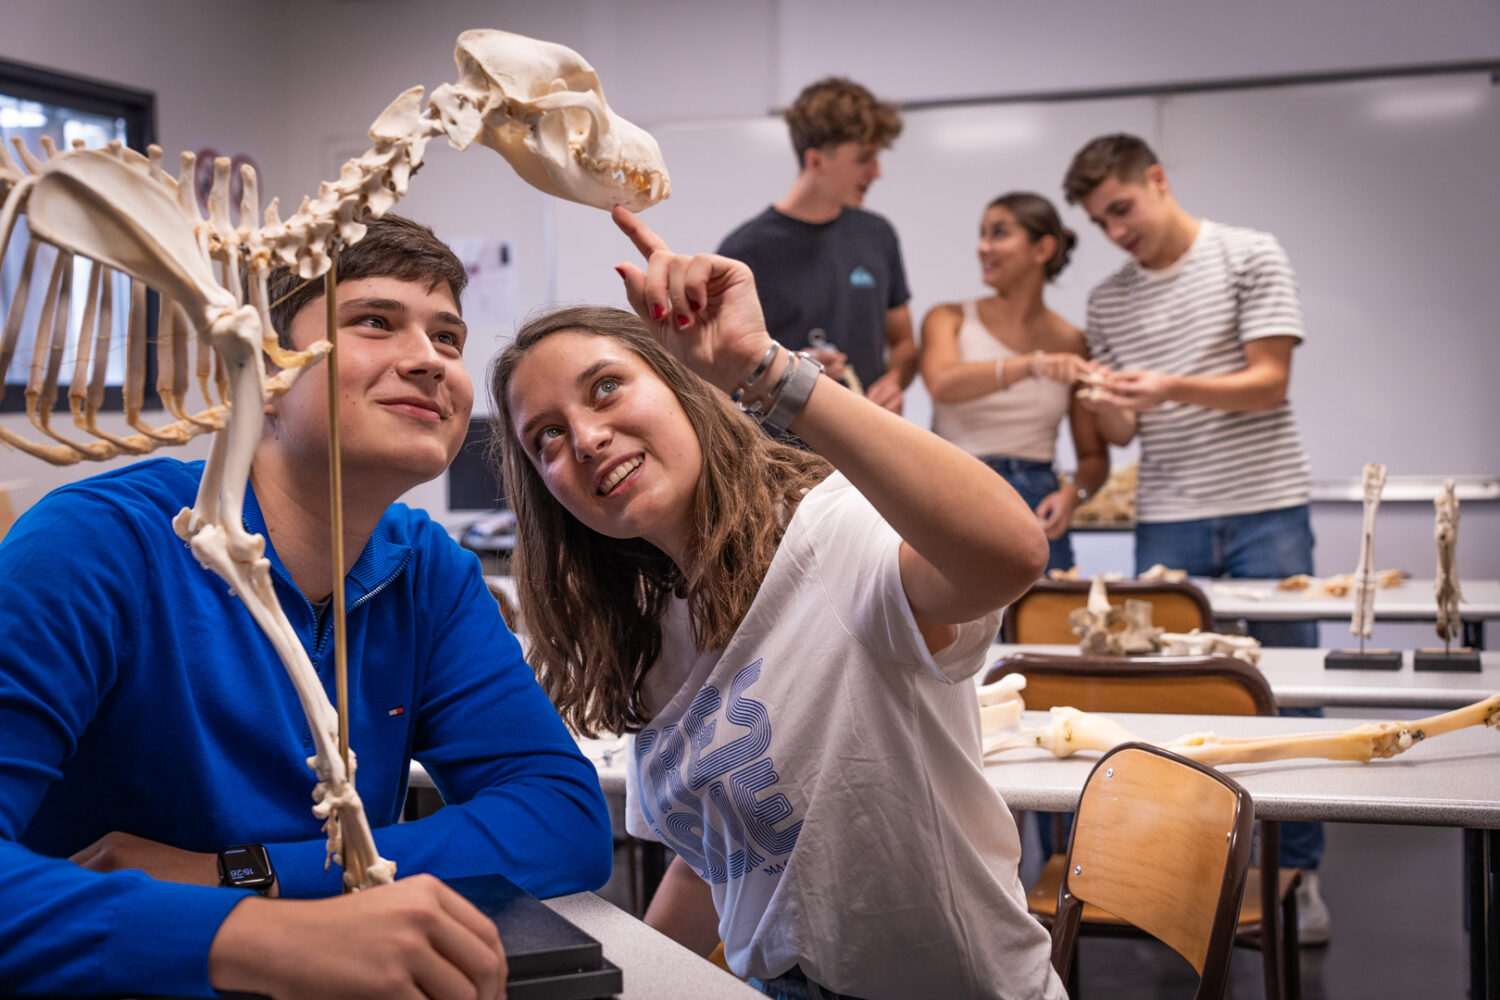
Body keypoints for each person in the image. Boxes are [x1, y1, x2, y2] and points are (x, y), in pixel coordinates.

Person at [0, 216, 613, 997]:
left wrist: (245, 880)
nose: (429, 361)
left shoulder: (426, 571)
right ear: (260, 367)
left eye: (449, 338)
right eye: (375, 322)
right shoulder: (95, 546)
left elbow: (562, 822)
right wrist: (256, 938)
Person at [491, 205, 1064, 1000]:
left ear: (688, 391)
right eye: (546, 437)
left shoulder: (832, 537)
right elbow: (724, 850)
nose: (584, 439)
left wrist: (764, 366)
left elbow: (1011, 553)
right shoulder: (655, 621)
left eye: (608, 387)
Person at [1061, 133, 1328, 943]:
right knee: (1176, 696)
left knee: (1285, 694)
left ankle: (1299, 877)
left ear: (1158, 180)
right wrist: (1103, 399)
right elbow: (1126, 428)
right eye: (1100, 222)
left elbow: (1270, 380)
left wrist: (1166, 384)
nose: (1115, 232)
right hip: (1170, 511)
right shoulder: (1108, 301)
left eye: (1122, 210)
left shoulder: (1250, 255)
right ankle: (1196, 872)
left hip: (1265, 506)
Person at [920, 191, 1109, 573]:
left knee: (1043, 624)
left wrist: (1074, 496)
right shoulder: (948, 318)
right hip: (952, 486)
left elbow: (1093, 455)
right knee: (948, 627)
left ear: (1043, 249)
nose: (982, 247)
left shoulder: (1072, 342)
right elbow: (941, 382)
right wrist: (1032, 365)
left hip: (1037, 497)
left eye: (999, 233)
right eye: (982, 234)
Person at [717, 77, 916, 414]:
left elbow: (905, 343)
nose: (877, 171)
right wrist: (791, 372)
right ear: (816, 161)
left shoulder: (877, 234)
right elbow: (721, 374)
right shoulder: (745, 252)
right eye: (864, 158)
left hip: (869, 442)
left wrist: (894, 380)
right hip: (784, 454)